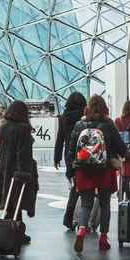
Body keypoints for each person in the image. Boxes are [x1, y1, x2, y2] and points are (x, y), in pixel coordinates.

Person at [66, 95, 127, 254]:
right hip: (104, 169)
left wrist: (70, 169)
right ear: (105, 108)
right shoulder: (108, 124)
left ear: (88, 108)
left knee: (86, 204)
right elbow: (121, 147)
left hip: (84, 170)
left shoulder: (80, 125)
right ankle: (103, 238)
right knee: (105, 204)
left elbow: (71, 149)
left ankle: (81, 230)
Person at [0, 100, 38, 245]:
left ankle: (16, 231)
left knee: (10, 201)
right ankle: (12, 232)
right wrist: (24, 171)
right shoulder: (23, 128)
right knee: (16, 199)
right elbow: (22, 152)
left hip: (5, 167)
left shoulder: (4, 126)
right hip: (18, 168)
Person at [54, 92, 87, 229]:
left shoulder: (63, 118)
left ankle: (71, 216)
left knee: (76, 186)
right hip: (85, 154)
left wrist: (56, 158)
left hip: (70, 155)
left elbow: (60, 139)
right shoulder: (85, 117)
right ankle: (79, 218)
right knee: (81, 187)